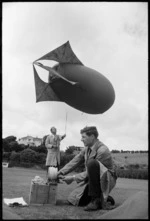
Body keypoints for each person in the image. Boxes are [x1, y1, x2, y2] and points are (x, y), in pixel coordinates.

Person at [57, 126, 117, 211]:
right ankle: (103, 198)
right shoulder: (86, 149)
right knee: (76, 200)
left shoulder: (103, 150)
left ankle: (96, 200)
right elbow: (75, 161)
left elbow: (90, 171)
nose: (81, 139)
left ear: (92, 136)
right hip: (93, 179)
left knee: (91, 163)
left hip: (106, 179)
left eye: (83, 137)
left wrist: (73, 178)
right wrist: (60, 173)